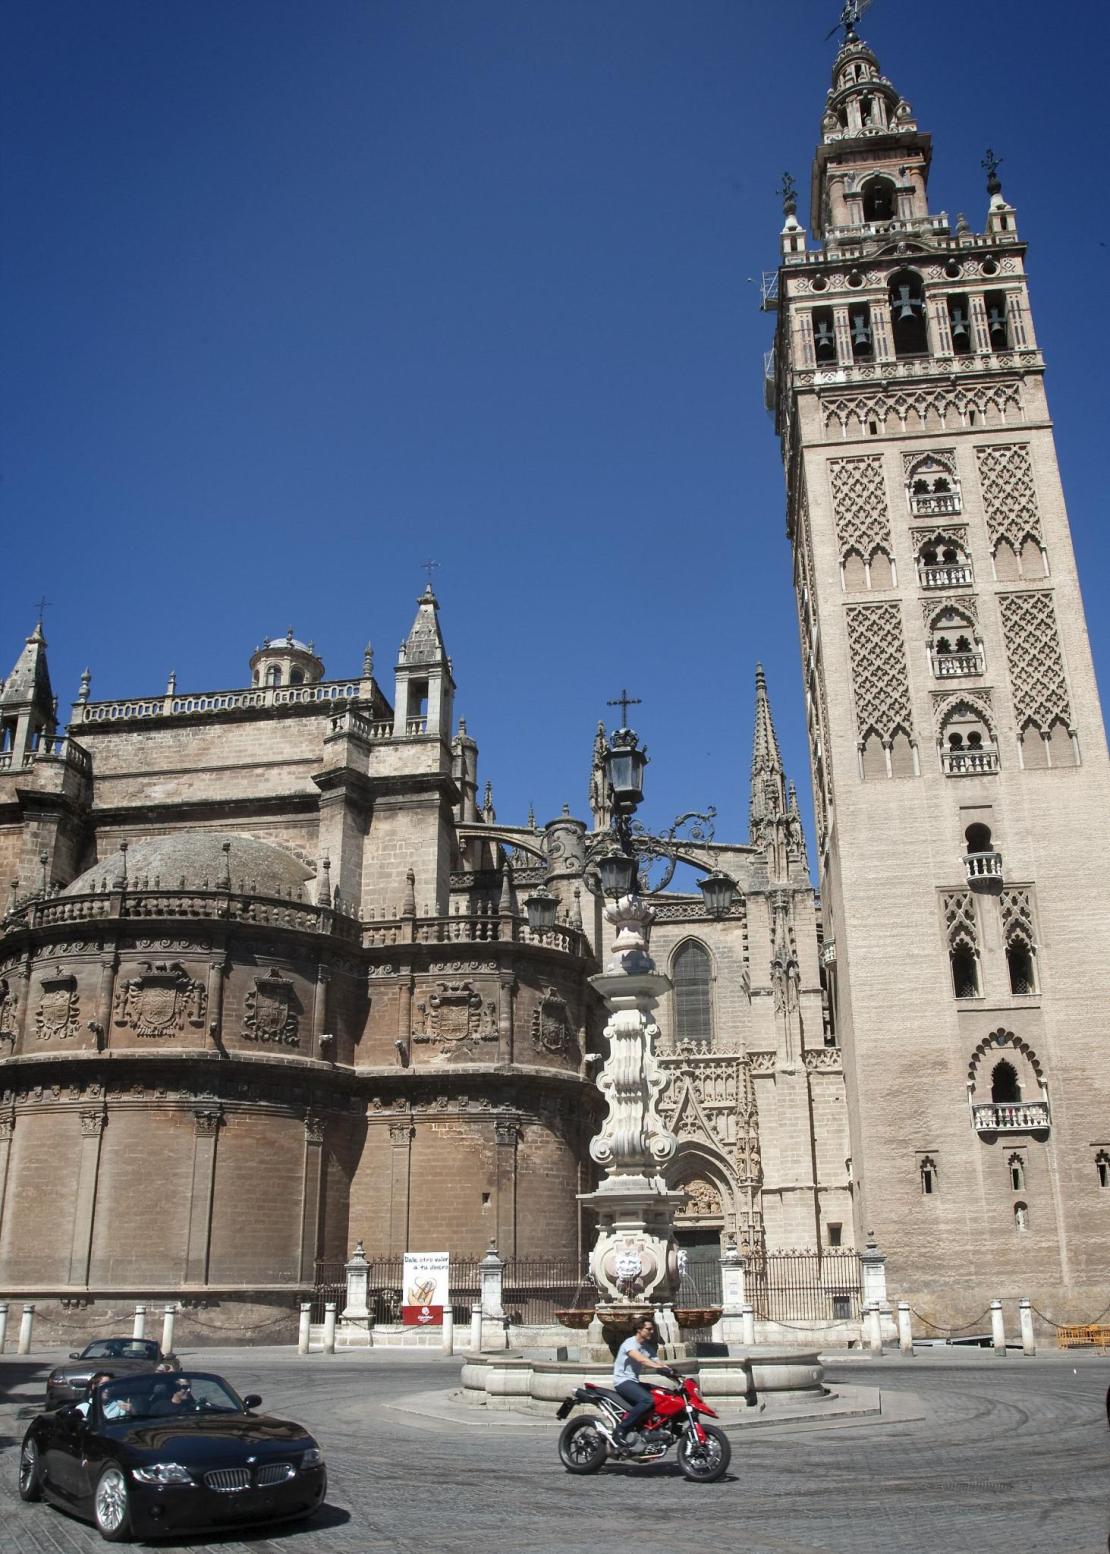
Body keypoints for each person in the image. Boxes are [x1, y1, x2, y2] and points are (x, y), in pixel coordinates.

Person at [611, 1318, 673, 1446]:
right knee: (648, 1400)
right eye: (648, 1329)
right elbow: (642, 1360)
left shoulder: (646, 1347)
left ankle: (648, 1426)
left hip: (634, 1381)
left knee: (662, 1394)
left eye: (652, 1329)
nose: (652, 1331)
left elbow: (658, 1361)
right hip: (622, 1381)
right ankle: (621, 1428)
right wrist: (658, 1367)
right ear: (639, 1330)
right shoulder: (630, 1343)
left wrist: (672, 1371)